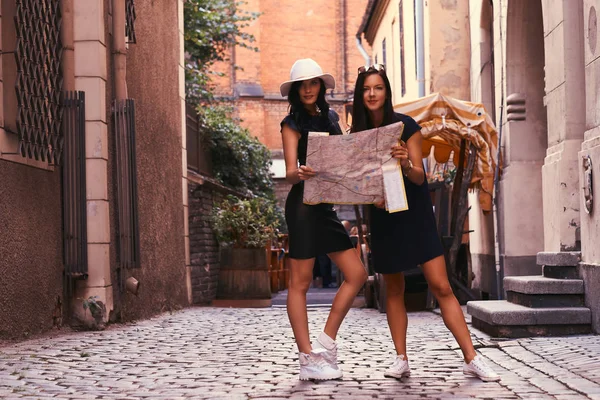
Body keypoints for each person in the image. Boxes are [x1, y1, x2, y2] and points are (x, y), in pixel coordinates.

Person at [350, 64, 500, 382]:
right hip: (384, 217)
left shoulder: (406, 125)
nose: (372, 94)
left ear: (386, 92)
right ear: (360, 95)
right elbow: (359, 183)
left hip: (415, 215)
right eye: (366, 89)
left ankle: (472, 357)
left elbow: (420, 176)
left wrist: (405, 162)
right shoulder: (359, 137)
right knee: (394, 289)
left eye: (377, 88)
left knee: (441, 286)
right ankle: (401, 358)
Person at [280, 58, 368, 381]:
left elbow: (345, 154)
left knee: (357, 273)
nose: (308, 89)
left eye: (313, 83)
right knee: (299, 283)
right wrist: (299, 172)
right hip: (302, 205)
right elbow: (289, 172)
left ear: (320, 87)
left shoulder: (331, 118)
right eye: (302, 85)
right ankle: (307, 358)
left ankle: (325, 342)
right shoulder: (291, 124)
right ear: (296, 91)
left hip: (326, 206)